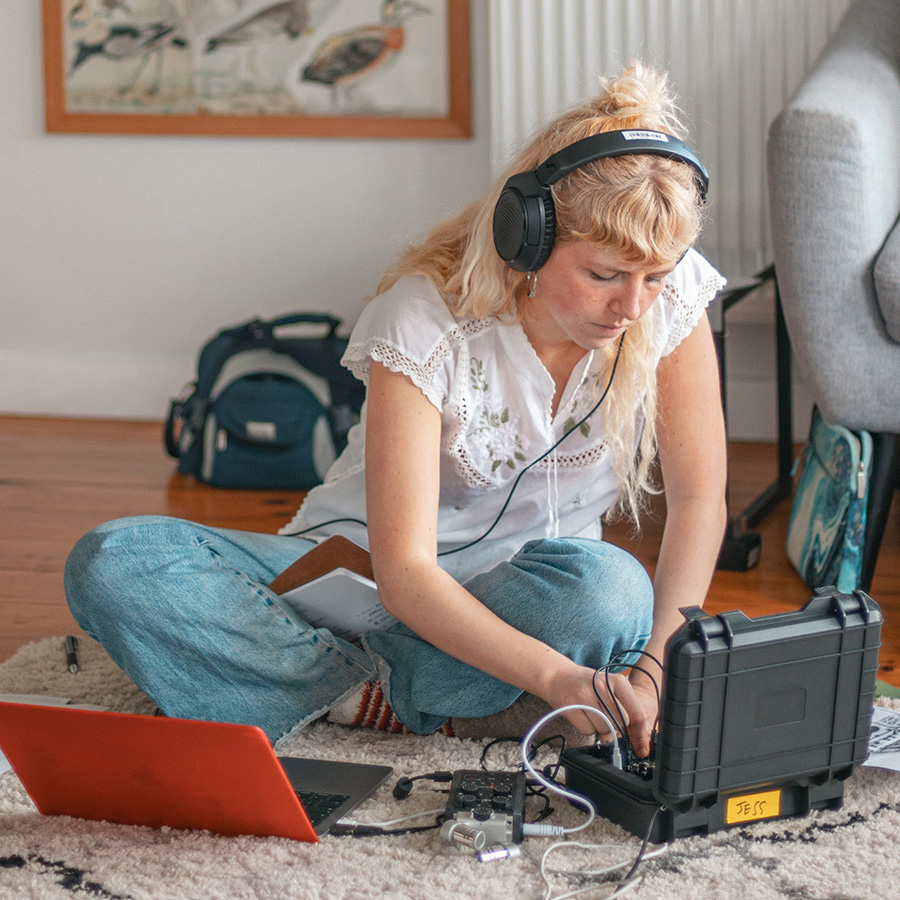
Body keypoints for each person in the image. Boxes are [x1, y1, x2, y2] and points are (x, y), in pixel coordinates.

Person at [64, 61, 727, 758]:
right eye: (603, 276)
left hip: (527, 601)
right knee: (114, 562)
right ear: (526, 239)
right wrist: (557, 677)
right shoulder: (422, 318)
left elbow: (698, 498)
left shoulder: (666, 300)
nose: (632, 306)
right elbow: (406, 574)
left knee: (613, 592)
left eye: (654, 278)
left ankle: (325, 692)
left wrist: (654, 668)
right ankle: (426, 701)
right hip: (368, 586)